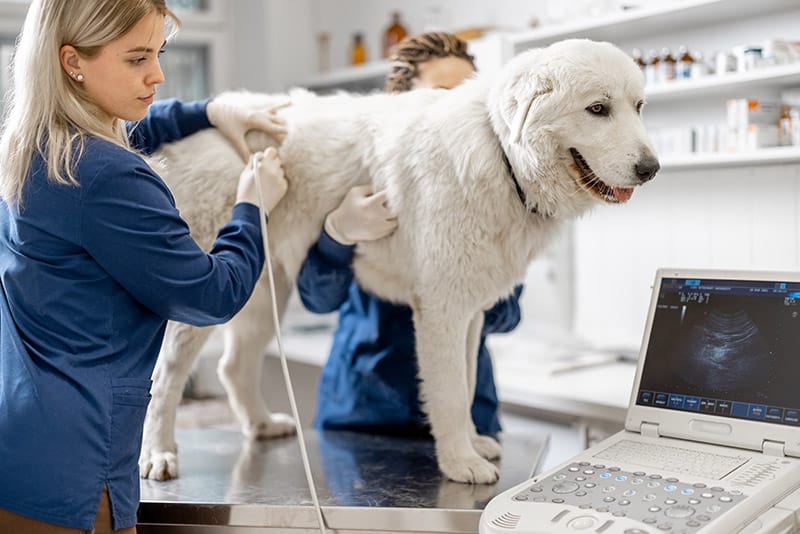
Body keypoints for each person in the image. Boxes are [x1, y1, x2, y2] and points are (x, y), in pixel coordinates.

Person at [0, 1, 289, 532]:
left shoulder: (29, 150)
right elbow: (209, 295)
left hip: (20, 444)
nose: (156, 74)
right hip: (76, 467)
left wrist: (206, 112)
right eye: (137, 59)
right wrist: (252, 207)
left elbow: (129, 123)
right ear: (72, 61)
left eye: (158, 53)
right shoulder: (109, 176)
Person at [297, 31, 524, 438]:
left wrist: (478, 292)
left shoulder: (498, 194)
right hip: (365, 411)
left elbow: (509, 316)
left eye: (467, 95)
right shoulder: (352, 172)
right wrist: (337, 234)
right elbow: (318, 299)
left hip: (470, 412)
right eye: (442, 94)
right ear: (400, 104)